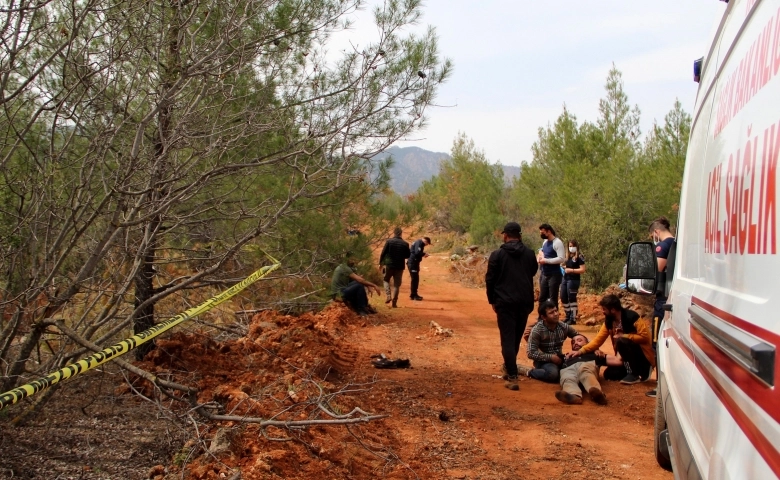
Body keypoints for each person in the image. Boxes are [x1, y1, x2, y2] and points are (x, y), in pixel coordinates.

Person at [485, 222, 538, 391]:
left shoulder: (497, 255)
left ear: (505, 236)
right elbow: (533, 271)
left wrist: (492, 299)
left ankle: (513, 376)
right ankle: (509, 368)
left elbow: (490, 279)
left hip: (504, 302)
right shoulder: (530, 254)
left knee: (507, 338)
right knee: (516, 337)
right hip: (524, 301)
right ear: (520, 236)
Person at [569, 294, 655, 384]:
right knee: (609, 374)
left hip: (642, 356)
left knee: (621, 341)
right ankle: (631, 371)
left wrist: (625, 336)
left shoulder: (632, 317)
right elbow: (597, 341)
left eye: (604, 309)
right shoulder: (609, 321)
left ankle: (635, 373)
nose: (603, 312)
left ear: (613, 310)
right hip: (625, 359)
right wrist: (581, 351)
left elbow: (646, 337)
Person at [646, 217, 675, 397]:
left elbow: (656, 269)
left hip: (662, 300)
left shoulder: (663, 246)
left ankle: (660, 385)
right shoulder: (678, 244)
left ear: (656, 232)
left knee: (657, 341)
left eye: (652, 235)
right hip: (672, 298)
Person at [522, 300, 579, 383]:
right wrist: (551, 357)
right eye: (551, 313)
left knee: (579, 368)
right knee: (553, 374)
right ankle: (527, 371)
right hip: (543, 362)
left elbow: (578, 336)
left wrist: (590, 348)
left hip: (560, 358)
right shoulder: (537, 330)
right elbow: (531, 352)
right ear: (543, 317)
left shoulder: (563, 326)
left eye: (556, 310)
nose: (556, 314)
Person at [555, 334, 616, 405]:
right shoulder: (567, 356)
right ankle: (573, 396)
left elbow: (617, 360)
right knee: (567, 377)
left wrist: (595, 348)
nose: (575, 343)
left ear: (587, 343)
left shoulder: (595, 353)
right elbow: (551, 358)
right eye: (573, 342)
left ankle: (597, 394)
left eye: (579, 340)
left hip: (586, 366)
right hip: (569, 368)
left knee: (585, 371)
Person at [378, 227, 411, 308]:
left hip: (389, 265)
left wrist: (381, 263)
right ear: (401, 233)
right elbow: (408, 255)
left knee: (386, 280)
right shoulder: (405, 244)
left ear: (394, 233)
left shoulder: (389, 241)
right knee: (397, 285)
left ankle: (388, 295)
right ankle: (394, 303)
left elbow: (383, 253)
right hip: (400, 266)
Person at [537, 224, 566, 309]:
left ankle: (553, 319)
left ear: (549, 231)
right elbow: (542, 250)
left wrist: (546, 261)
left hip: (554, 274)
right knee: (542, 297)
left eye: (543, 232)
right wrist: (540, 255)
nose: (541, 234)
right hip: (544, 273)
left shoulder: (557, 242)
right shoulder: (545, 242)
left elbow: (561, 258)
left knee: (553, 298)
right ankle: (541, 318)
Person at [561, 239, 586, 325]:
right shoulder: (568, 256)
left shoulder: (579, 256)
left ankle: (573, 318)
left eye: (573, 246)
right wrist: (564, 267)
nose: (571, 248)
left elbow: (582, 269)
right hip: (565, 278)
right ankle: (568, 315)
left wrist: (571, 270)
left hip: (573, 280)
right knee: (563, 297)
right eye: (570, 246)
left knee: (571, 298)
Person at [407, 236, 431, 301]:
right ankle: (413, 295)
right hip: (413, 263)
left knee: (415, 279)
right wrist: (424, 254)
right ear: (426, 241)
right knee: (414, 279)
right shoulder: (419, 243)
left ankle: (414, 294)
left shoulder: (418, 242)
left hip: (414, 262)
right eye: (427, 244)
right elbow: (417, 253)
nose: (426, 245)